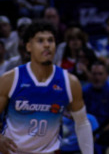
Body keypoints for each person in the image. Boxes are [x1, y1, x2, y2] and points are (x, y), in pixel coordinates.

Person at [0, 21, 93, 154]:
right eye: (40, 41)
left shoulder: (69, 82)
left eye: (51, 40)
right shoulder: (10, 79)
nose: (47, 45)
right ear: (28, 47)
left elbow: (82, 123)